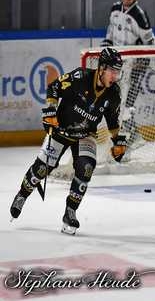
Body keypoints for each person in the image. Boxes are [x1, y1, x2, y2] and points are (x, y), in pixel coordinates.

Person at [9, 48, 126, 235]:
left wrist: (118, 141)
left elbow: (112, 121)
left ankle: (70, 212)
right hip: (61, 130)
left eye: (118, 72)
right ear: (102, 68)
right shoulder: (80, 77)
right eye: (113, 70)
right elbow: (54, 87)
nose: (115, 76)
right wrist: (50, 110)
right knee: (41, 169)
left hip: (86, 135)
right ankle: (22, 195)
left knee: (87, 168)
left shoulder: (114, 94)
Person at [101, 0, 155, 145]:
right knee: (117, 105)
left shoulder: (139, 15)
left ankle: (128, 142)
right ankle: (134, 138)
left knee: (125, 105)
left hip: (132, 67)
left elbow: (150, 43)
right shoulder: (115, 9)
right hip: (115, 68)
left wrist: (142, 63)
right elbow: (109, 35)